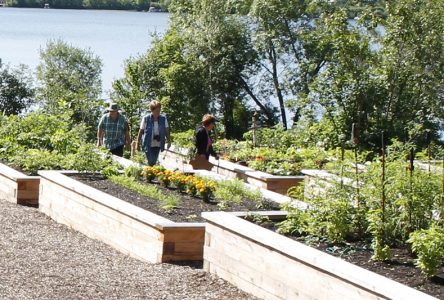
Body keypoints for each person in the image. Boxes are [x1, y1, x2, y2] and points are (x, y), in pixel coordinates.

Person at [136, 100, 171, 166]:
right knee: (151, 161)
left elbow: (167, 130)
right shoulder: (146, 119)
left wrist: (169, 141)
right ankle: (150, 172)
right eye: (157, 111)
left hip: (158, 143)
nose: (158, 112)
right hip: (148, 143)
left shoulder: (163, 118)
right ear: (152, 110)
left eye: (159, 110)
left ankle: (150, 173)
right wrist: (137, 143)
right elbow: (141, 131)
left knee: (153, 160)